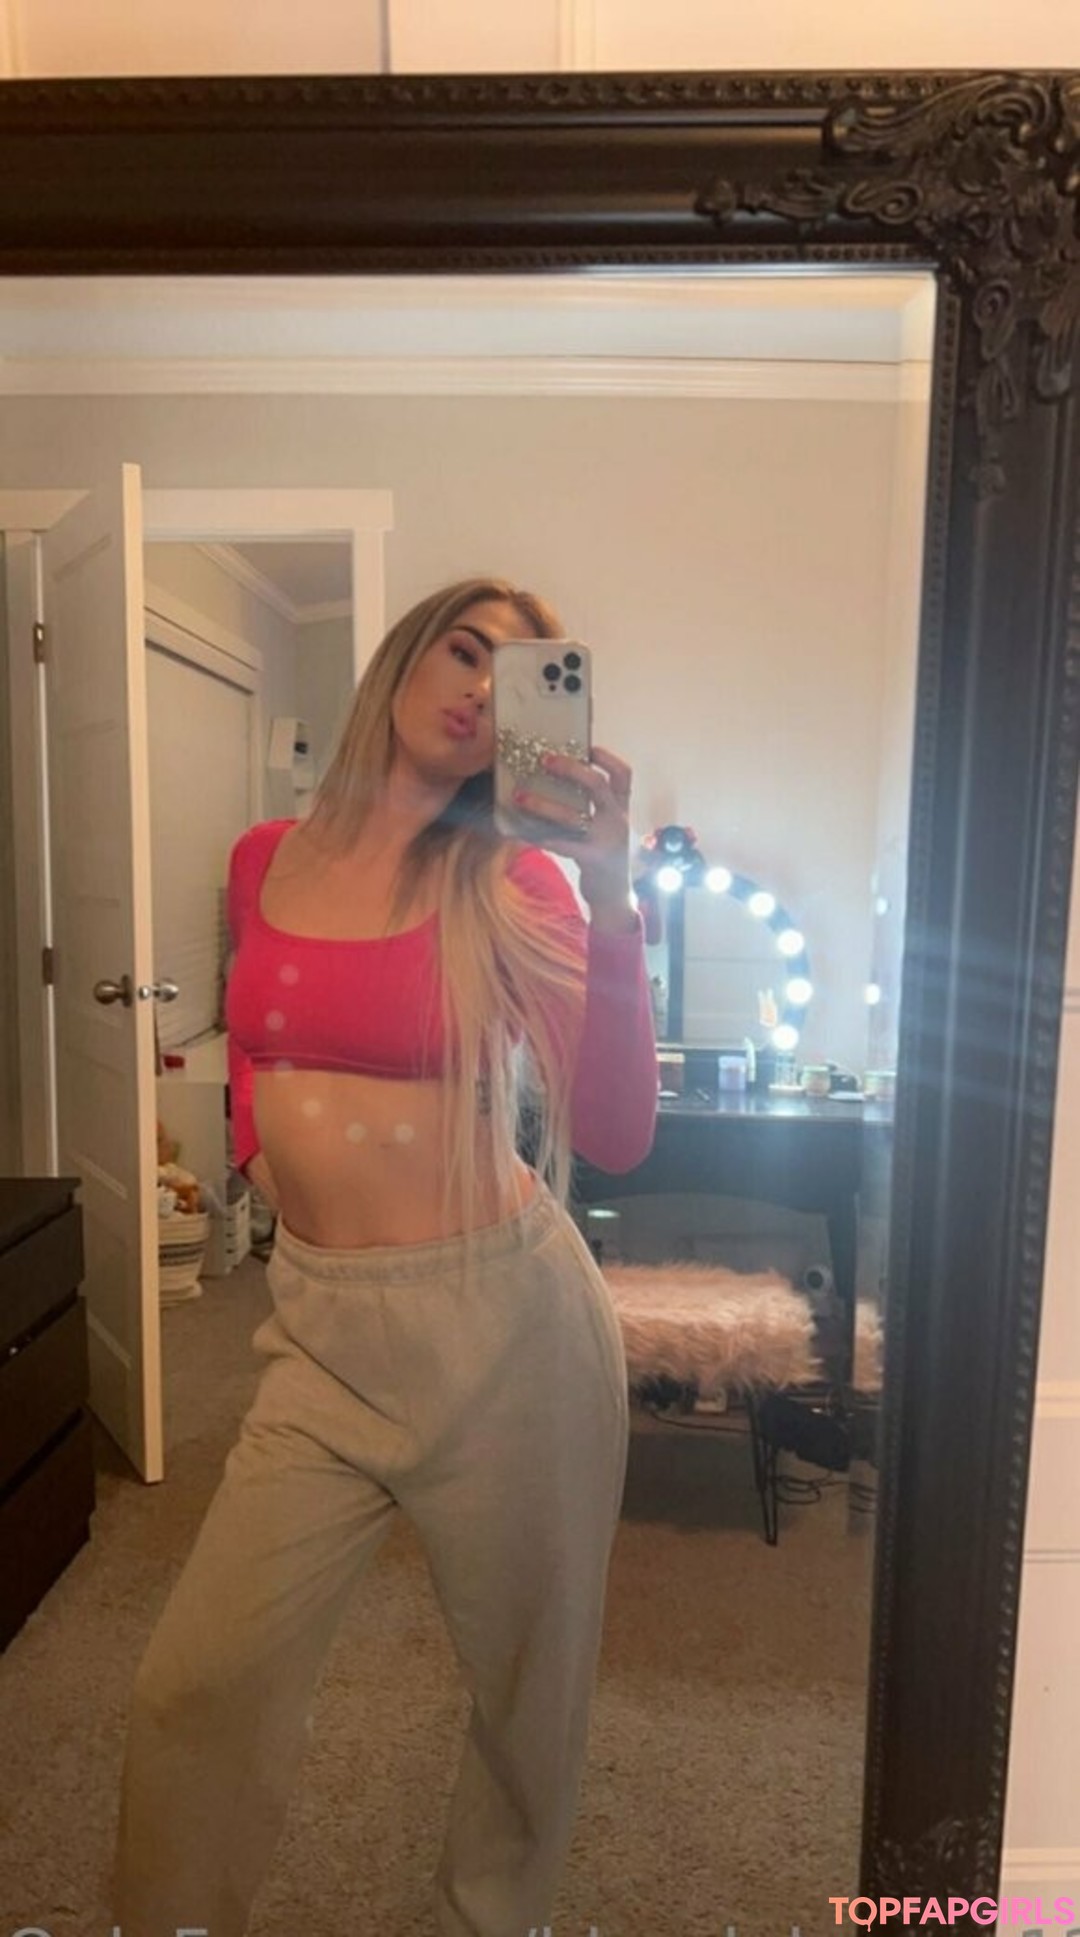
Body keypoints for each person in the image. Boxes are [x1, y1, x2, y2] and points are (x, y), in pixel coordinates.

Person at [112, 576, 658, 1937]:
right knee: (198, 1680)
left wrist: (612, 898)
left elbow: (615, 1131)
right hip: (319, 1332)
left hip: (506, 1330)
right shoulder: (264, 858)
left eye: (514, 675)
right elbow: (257, 1032)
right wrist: (252, 1144)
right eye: (463, 649)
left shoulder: (515, 882)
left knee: (526, 1703)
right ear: (404, 658)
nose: (479, 686)